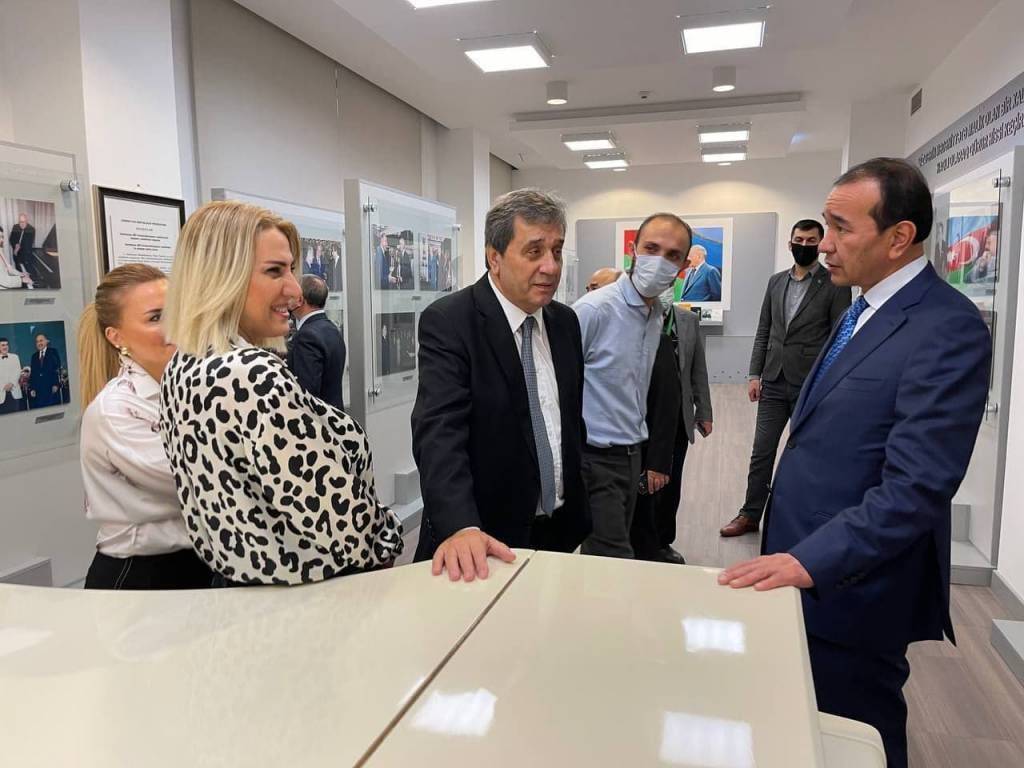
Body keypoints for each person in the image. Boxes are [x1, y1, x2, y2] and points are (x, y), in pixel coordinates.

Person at [719, 158, 991, 768]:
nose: (824, 244)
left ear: (899, 237)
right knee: (811, 724)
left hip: (853, 581)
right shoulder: (861, 310)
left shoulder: (946, 327)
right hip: (805, 563)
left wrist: (810, 560)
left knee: (857, 730)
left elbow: (916, 488)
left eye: (842, 228)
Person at [160, 200, 403, 586]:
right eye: (274, 271)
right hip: (310, 595)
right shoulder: (251, 374)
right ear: (221, 277)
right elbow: (337, 519)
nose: (293, 289)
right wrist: (387, 538)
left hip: (239, 591)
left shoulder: (182, 366)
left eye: (291, 269)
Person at [411, 189, 589, 581]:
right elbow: (439, 433)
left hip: (560, 532)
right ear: (495, 257)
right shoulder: (451, 322)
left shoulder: (565, 323)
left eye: (557, 251)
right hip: (483, 542)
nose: (551, 266)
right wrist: (461, 526)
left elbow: (568, 423)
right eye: (534, 251)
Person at [78, 264, 213, 590]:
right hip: (142, 573)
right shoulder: (115, 411)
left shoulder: (185, 388)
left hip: (197, 561)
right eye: (155, 318)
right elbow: (196, 484)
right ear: (116, 336)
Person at [720, 219, 851, 537]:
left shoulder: (835, 284)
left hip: (811, 384)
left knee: (807, 454)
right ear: (789, 243)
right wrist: (754, 373)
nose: (804, 245)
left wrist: (829, 383)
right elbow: (764, 329)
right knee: (761, 451)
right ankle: (750, 514)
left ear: (820, 243)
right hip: (774, 380)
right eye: (799, 240)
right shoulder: (776, 282)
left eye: (811, 240)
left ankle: (803, 520)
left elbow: (840, 336)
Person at [573, 213, 691, 558]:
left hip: (631, 453)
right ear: (633, 250)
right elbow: (558, 384)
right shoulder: (594, 310)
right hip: (594, 458)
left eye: (672, 255)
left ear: (683, 266)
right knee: (613, 557)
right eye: (651, 249)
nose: (660, 261)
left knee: (615, 553)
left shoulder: (654, 316)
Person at [631, 301, 712, 563]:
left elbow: (698, 368)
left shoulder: (688, 321)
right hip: (643, 414)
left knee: (671, 481)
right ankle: (641, 540)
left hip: (678, 415)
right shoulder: (634, 316)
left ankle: (664, 540)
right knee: (644, 483)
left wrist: (704, 411)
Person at [287, 274, 346, 411]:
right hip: (334, 416)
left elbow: (306, 394)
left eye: (291, 295)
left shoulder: (305, 337)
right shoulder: (332, 329)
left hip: (316, 420)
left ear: (300, 300)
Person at [28, 333, 62, 408]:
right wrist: (32, 388)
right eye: (37, 341)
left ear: (46, 341)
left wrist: (56, 384)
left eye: (41, 341)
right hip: (39, 393)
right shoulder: (34, 356)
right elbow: (33, 374)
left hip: (51, 390)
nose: (39, 343)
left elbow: (57, 368)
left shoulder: (53, 352)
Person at [9, 213, 36, 286]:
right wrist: (15, 245)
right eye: (20, 222)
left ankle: (27, 283)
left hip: (26, 256)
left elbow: (28, 244)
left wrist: (19, 247)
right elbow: (11, 239)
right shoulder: (15, 227)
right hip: (16, 254)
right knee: (19, 271)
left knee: (27, 273)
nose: (22, 224)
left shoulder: (31, 229)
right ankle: (21, 285)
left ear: (27, 221)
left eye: (24, 222)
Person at [0, 337, 23, 415]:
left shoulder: (15, 357)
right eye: (3, 345)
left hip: (14, 392)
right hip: (1, 395)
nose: (5, 347)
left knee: (17, 417)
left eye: (6, 345)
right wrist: (4, 386)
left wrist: (11, 383)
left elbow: (18, 371)